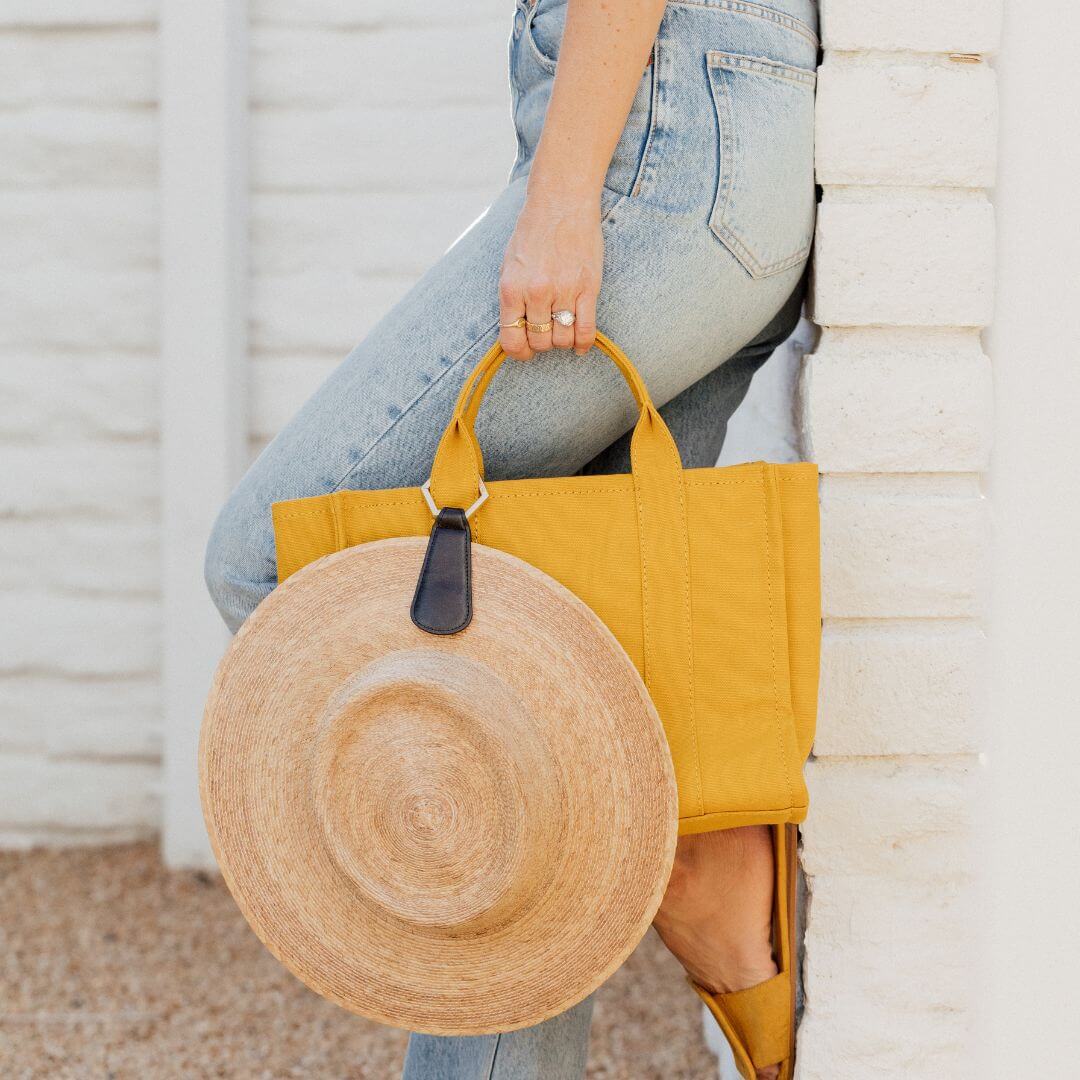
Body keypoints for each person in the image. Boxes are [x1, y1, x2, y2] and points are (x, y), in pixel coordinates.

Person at [204, 0, 818, 1076]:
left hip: (662, 137)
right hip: (701, 130)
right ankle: (701, 844)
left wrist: (568, 196)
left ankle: (696, 846)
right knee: (539, 644)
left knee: (277, 561)